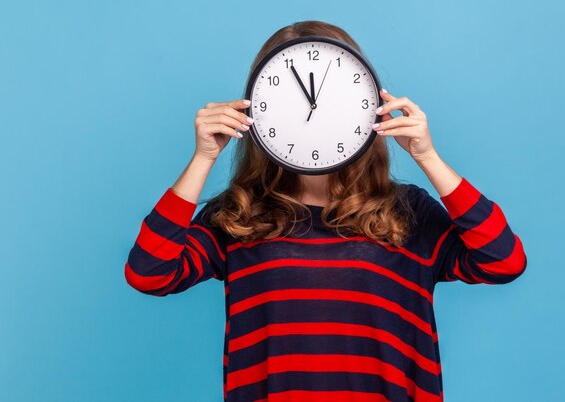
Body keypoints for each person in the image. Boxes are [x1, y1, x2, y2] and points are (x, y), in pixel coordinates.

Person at [124, 20, 527, 402]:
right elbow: (149, 273)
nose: (313, 112)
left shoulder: (407, 212)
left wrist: (428, 157)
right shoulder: (238, 215)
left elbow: (503, 261)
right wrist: (203, 158)